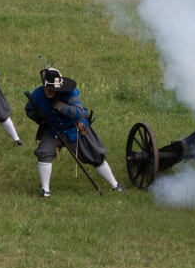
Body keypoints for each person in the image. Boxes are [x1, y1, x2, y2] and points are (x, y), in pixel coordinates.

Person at [25, 67, 126, 197]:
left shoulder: (70, 92)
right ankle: (45, 191)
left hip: (75, 129)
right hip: (53, 130)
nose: (51, 91)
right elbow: (29, 110)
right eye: (49, 88)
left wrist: (62, 108)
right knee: (44, 153)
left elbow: (78, 112)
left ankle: (115, 186)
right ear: (44, 85)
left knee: (96, 156)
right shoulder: (37, 94)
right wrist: (38, 116)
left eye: (54, 89)